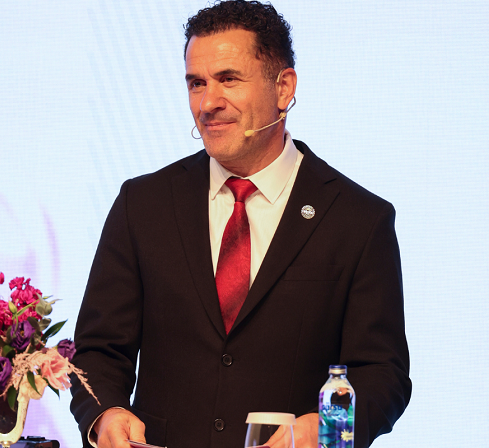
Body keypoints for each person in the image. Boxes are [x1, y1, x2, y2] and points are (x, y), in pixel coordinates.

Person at [70, 2, 411, 448]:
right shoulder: (143, 203)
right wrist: (105, 414)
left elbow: (382, 374)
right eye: (197, 83)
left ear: (283, 87)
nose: (208, 103)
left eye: (228, 79)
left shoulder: (358, 218)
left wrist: (325, 428)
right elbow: (97, 351)